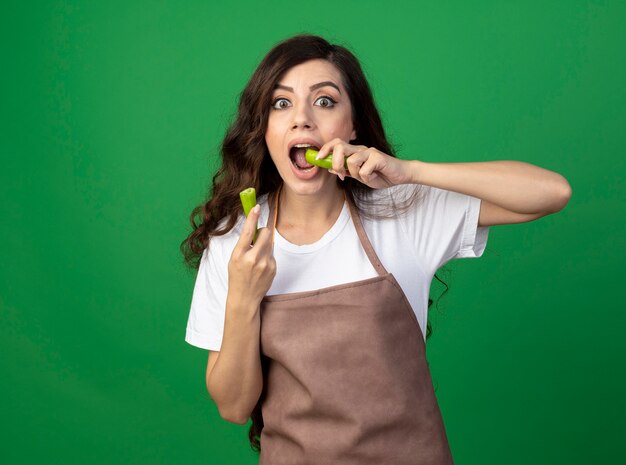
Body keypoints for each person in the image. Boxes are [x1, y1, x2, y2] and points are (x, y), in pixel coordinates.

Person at [181, 34, 570, 464]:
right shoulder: (236, 238)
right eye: (281, 103)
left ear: (353, 127)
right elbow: (234, 408)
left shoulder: (401, 209)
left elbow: (551, 192)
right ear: (264, 128)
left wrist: (411, 172)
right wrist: (243, 297)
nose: (302, 120)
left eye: (325, 101)